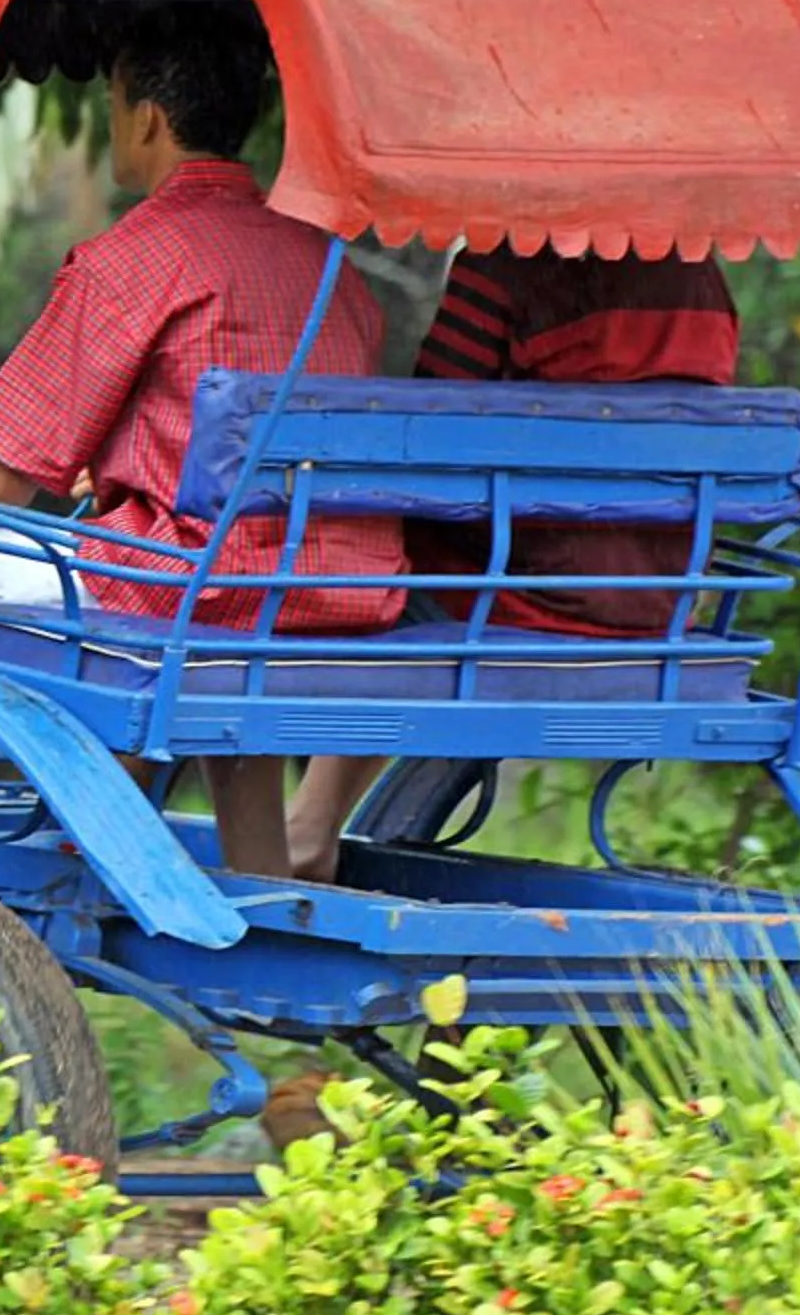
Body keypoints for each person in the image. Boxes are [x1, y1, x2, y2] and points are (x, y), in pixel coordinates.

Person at [0, 6, 403, 878]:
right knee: (214, 575)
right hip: (327, 599)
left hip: (190, 604)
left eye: (114, 102)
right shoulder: (329, 267)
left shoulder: (131, 261)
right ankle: (265, 887)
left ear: (148, 118)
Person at [283, 246, 742, 878]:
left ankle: (310, 820)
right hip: (661, 594)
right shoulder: (697, 270)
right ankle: (314, 820)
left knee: (369, 562)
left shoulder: (508, 262)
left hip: (527, 597)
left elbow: (431, 434)